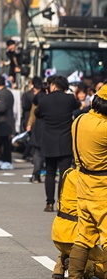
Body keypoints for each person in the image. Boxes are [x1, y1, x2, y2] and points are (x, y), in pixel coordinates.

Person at [67, 84, 107, 279]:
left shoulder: (80, 120)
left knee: (83, 237)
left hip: (83, 185)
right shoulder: (104, 127)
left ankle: (74, 275)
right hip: (103, 188)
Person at [34, 75, 79, 212]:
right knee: (64, 174)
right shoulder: (70, 99)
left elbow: (37, 113)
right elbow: (77, 106)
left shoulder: (44, 100)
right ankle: (62, 202)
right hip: (65, 140)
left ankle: (49, 203)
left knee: (50, 172)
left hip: (49, 141)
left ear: (53, 85)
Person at [50, 167, 103, 279]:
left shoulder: (68, 173)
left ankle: (59, 266)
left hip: (58, 232)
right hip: (76, 235)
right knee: (103, 262)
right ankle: (87, 267)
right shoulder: (93, 179)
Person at [0, 76, 15, 168]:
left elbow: (2, 108)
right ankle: (5, 160)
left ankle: (6, 161)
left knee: (4, 143)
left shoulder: (2, 94)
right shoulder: (9, 92)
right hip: (9, 119)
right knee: (5, 142)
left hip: (3, 120)